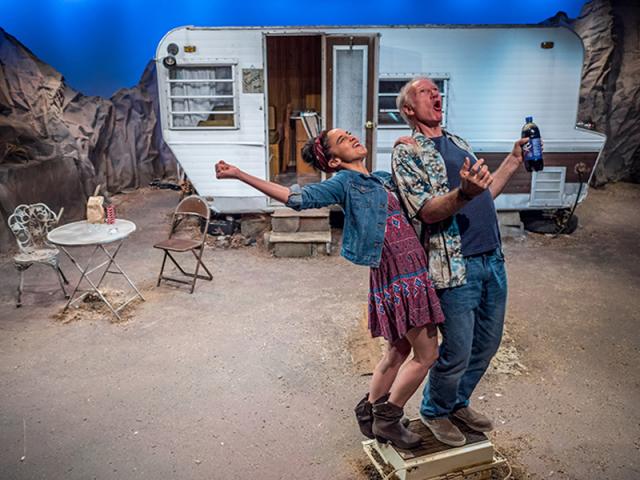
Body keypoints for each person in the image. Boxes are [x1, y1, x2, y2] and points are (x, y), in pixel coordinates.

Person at [215, 128, 444, 449]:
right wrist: (239, 174)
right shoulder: (344, 182)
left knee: (399, 350)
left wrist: (408, 146)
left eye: (349, 133)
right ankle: (388, 419)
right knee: (427, 354)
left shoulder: (380, 178)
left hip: (408, 270)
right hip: (400, 274)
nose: (351, 137)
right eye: (342, 140)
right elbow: (296, 198)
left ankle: (369, 412)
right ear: (335, 159)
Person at [391, 77, 529, 447]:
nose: (435, 94)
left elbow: (483, 193)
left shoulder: (457, 142)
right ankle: (435, 410)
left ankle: (457, 403)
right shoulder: (407, 151)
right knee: (457, 350)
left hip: (492, 259)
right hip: (455, 266)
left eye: (437, 90)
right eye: (425, 91)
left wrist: (514, 160)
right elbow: (427, 211)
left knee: (487, 343)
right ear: (408, 109)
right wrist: (464, 193)